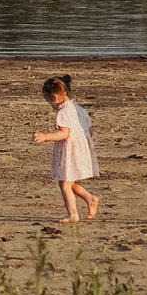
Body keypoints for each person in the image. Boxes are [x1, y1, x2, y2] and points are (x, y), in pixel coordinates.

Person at [28, 74, 100, 222]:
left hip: (71, 151)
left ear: (54, 98)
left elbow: (64, 133)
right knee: (70, 181)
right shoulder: (79, 109)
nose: (51, 106)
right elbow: (90, 131)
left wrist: (45, 136)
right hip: (82, 149)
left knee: (65, 183)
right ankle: (90, 198)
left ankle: (73, 214)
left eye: (49, 102)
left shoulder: (63, 112)